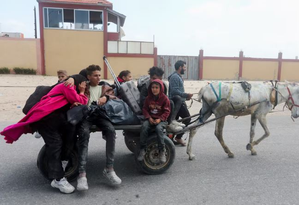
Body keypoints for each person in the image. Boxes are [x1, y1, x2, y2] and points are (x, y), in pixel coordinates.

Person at [0, 74, 88, 194]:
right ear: (79, 82)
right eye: (83, 83)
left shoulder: (70, 86)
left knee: (61, 140)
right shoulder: (67, 85)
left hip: (53, 118)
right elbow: (81, 101)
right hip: (46, 117)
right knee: (55, 144)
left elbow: (80, 102)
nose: (85, 85)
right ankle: (58, 179)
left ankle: (59, 169)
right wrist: (81, 92)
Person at [76, 64, 121, 191]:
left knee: (111, 131)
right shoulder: (84, 87)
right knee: (84, 134)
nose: (98, 77)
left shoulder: (105, 87)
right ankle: (82, 174)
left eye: (99, 75)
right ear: (89, 76)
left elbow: (115, 96)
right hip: (86, 116)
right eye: (95, 75)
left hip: (100, 115)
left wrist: (106, 97)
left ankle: (109, 169)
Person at [139, 66, 184, 132]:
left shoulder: (162, 85)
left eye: (159, 79)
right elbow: (143, 102)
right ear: (150, 77)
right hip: (151, 109)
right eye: (154, 78)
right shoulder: (145, 86)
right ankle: (169, 124)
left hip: (160, 106)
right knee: (171, 103)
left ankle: (172, 120)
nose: (156, 81)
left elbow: (164, 98)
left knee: (177, 99)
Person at [137, 79, 170, 163]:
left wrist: (160, 119)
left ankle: (162, 150)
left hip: (161, 120)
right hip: (151, 119)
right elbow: (145, 109)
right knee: (144, 127)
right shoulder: (148, 98)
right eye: (152, 87)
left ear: (161, 88)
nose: (154, 89)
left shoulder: (165, 99)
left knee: (159, 129)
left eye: (156, 87)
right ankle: (142, 149)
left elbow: (167, 111)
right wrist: (149, 118)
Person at [168, 60, 193, 146]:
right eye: (184, 67)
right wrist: (186, 95)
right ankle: (178, 137)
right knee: (187, 118)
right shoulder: (175, 77)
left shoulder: (178, 76)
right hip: (176, 102)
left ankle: (170, 139)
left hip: (179, 101)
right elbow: (175, 91)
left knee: (174, 122)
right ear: (180, 68)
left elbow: (178, 91)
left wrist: (186, 97)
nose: (185, 69)